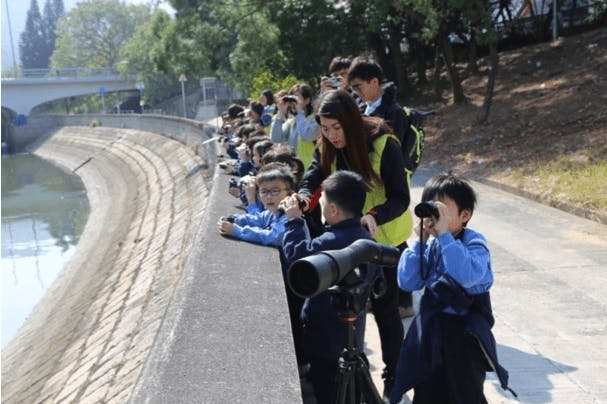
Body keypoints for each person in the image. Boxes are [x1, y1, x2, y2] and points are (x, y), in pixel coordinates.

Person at [294, 89, 412, 400]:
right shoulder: (327, 145)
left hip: (384, 240)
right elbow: (312, 176)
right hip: (348, 241)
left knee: (386, 313)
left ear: (351, 122)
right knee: (348, 307)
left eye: (337, 127)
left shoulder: (384, 144)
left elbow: (401, 197)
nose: (331, 135)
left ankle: (393, 376)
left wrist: (375, 215)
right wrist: (304, 197)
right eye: (325, 127)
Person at [390, 173, 511, 404]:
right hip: (432, 331)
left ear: (464, 215)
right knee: (427, 391)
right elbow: (407, 281)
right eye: (431, 209)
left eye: (442, 211)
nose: (435, 218)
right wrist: (419, 241)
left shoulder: (473, 242)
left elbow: (466, 275)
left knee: (464, 393)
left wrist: (445, 236)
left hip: (463, 336)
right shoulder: (431, 243)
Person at [282, 170, 374, 404]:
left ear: (333, 210)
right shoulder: (366, 240)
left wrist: (293, 220)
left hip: (324, 338)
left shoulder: (329, 241)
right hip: (351, 334)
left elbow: (297, 257)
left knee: (326, 391)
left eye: (322, 202)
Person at [348, 56, 416, 319]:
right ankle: (387, 295)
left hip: (391, 188)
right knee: (382, 243)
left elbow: (389, 151)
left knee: (397, 244)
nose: (356, 92)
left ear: (374, 82)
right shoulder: (364, 109)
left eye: (358, 86)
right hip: (372, 190)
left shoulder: (394, 113)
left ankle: (405, 300)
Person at [218, 163, 295, 247]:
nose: (269, 196)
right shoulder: (274, 211)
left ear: (289, 192)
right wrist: (234, 219)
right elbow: (258, 219)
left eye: (275, 191)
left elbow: (273, 237)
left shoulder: (291, 214)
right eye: (264, 192)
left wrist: (238, 231)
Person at [270, 83, 319, 170]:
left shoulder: (316, 119)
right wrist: (280, 113)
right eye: (292, 97)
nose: (293, 101)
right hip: (297, 170)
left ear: (307, 100)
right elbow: (275, 138)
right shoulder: (293, 121)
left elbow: (307, 135)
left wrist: (299, 112)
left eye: (297, 98)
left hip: (312, 169)